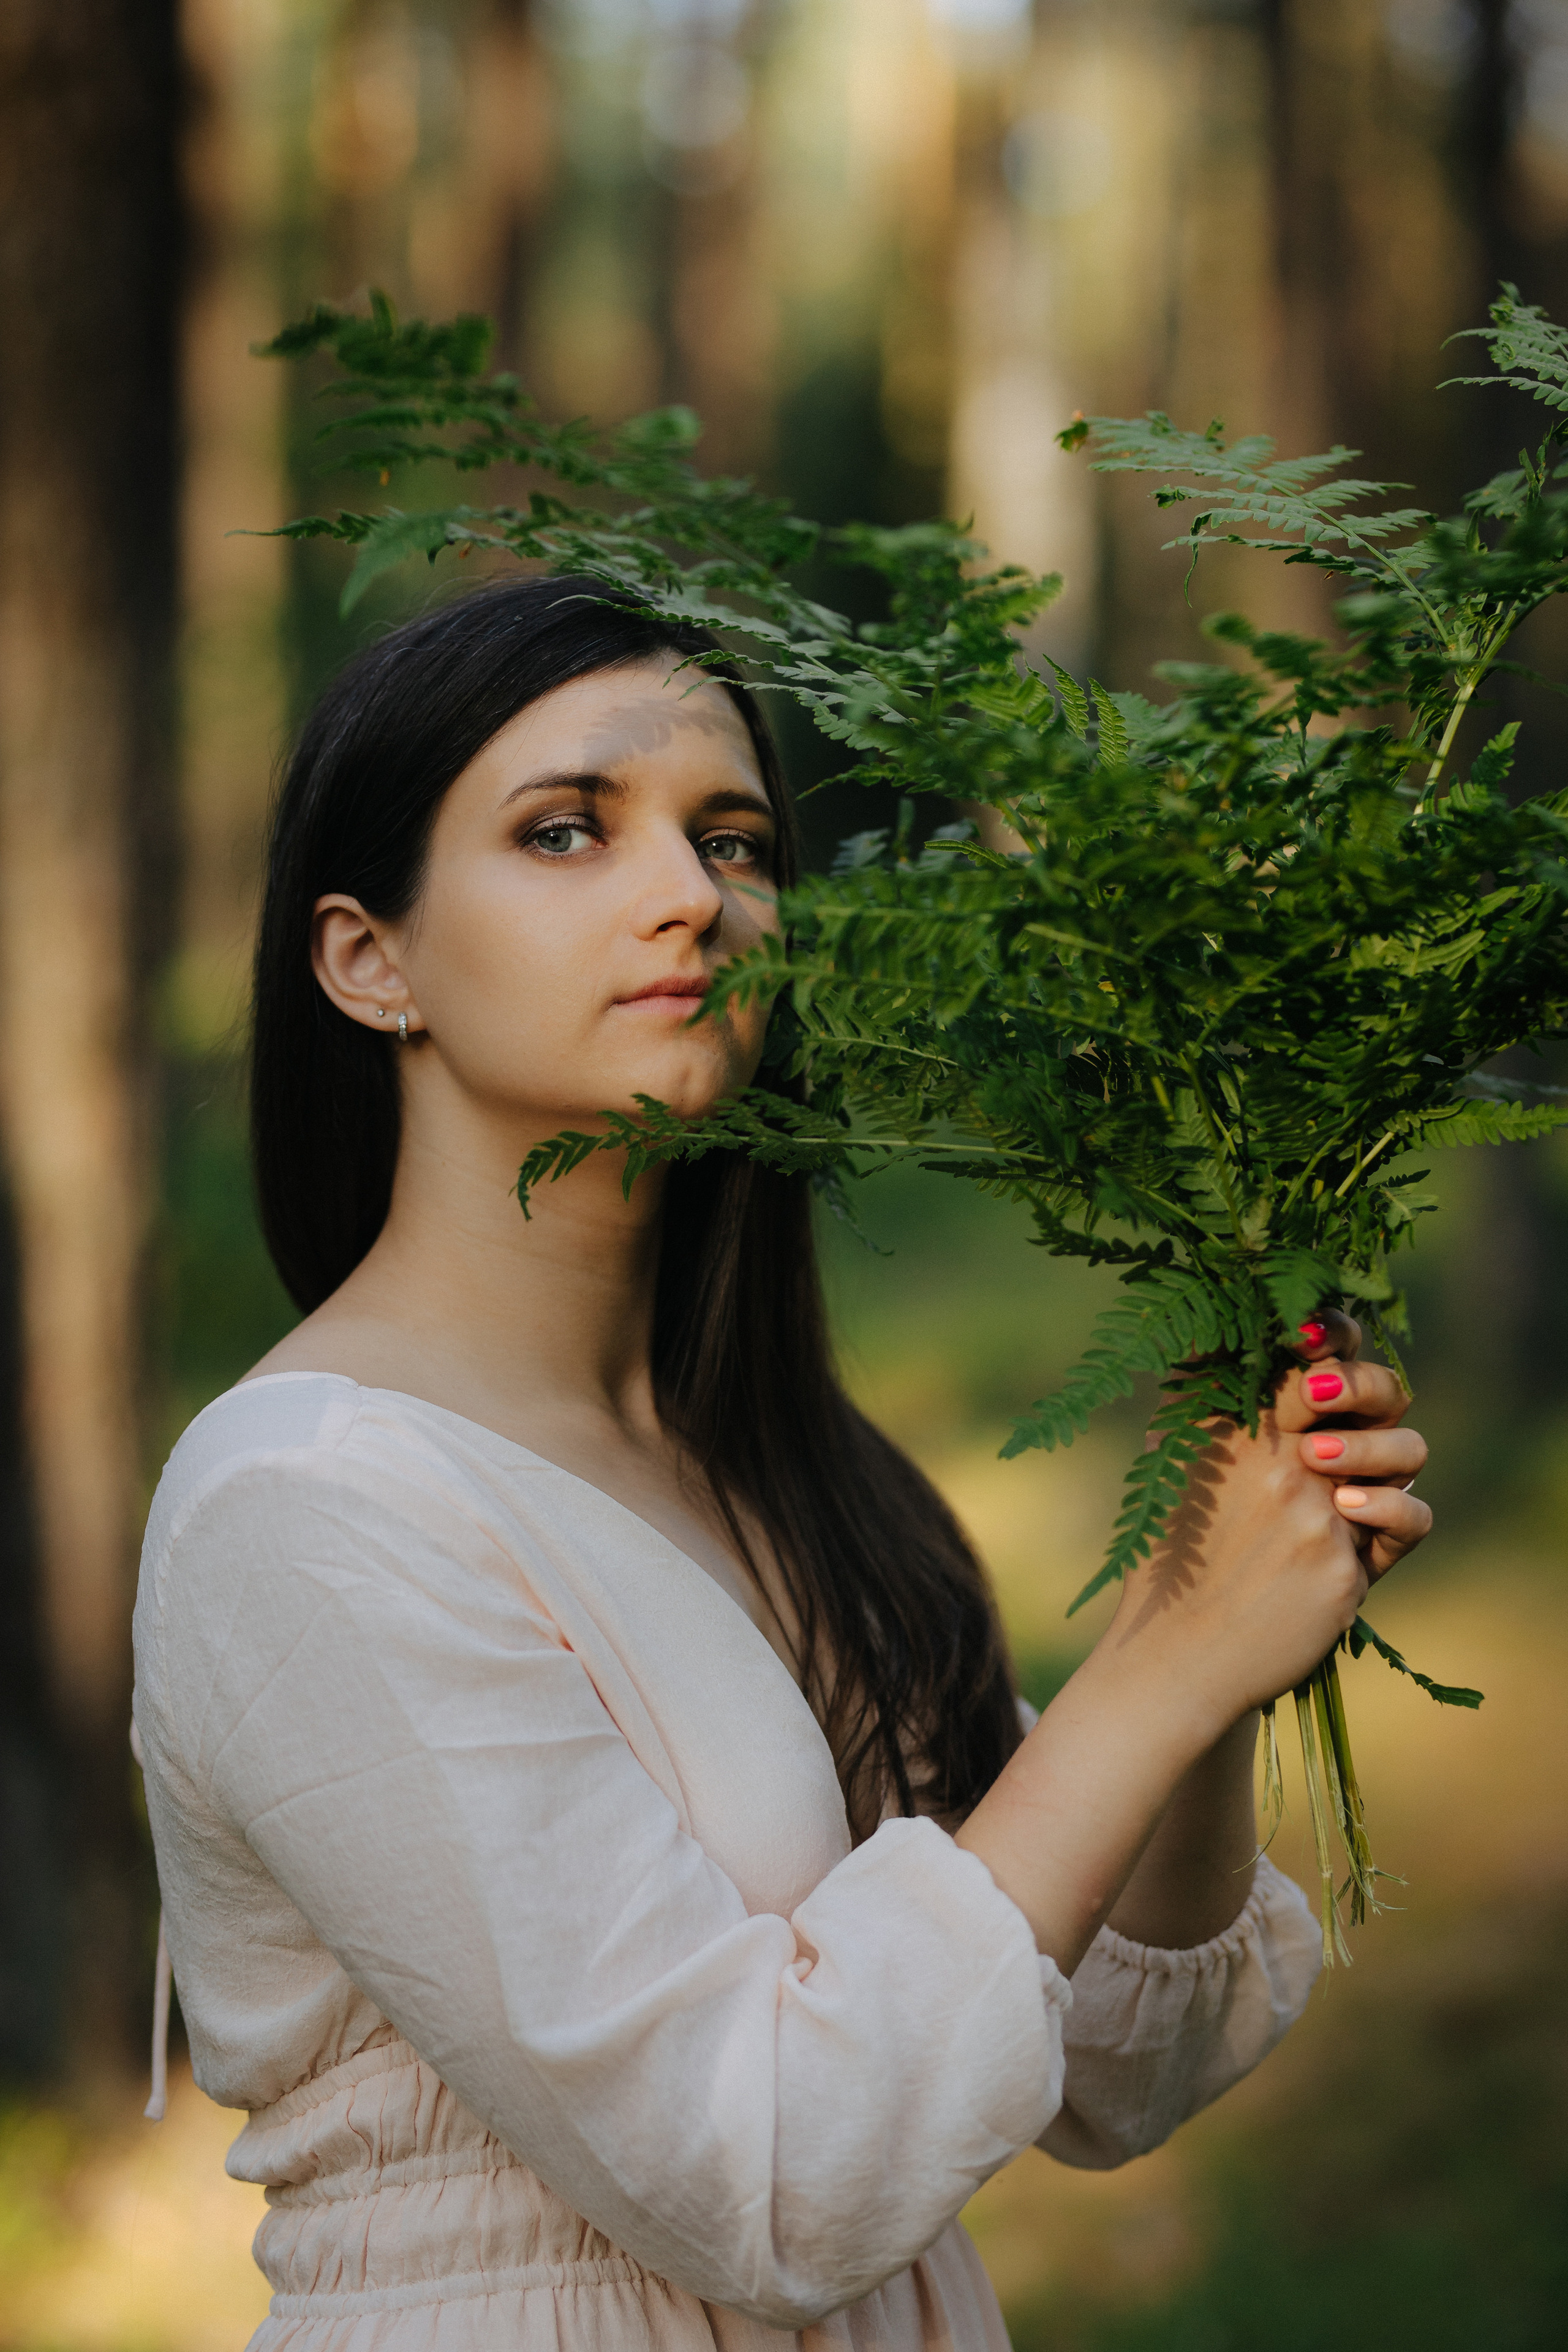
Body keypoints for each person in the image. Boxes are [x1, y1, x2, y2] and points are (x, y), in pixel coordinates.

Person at [132, 578, 1433, 2352]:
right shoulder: (308, 1506)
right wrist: (1170, 1658)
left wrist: (1210, 1617)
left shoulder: (785, 1473)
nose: (693, 897)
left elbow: (1125, 2067)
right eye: (568, 830)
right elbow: (770, 2174)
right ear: (373, 958)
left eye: (734, 842)